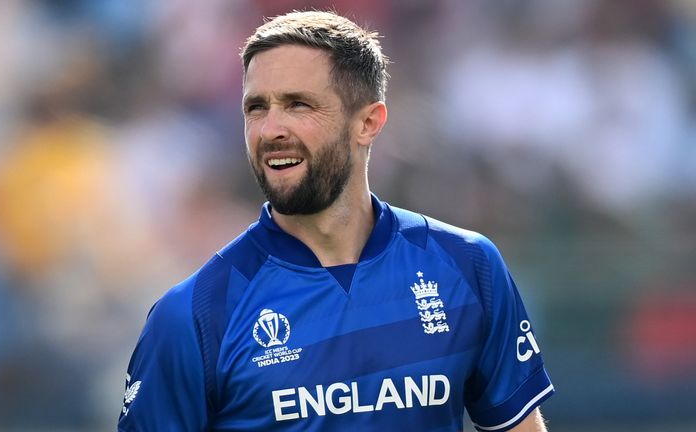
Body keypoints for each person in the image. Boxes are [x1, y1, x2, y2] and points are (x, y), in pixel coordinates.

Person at [118, 10, 554, 432]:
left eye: (298, 104)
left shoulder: (466, 266)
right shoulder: (193, 315)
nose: (271, 129)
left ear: (368, 122)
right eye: (256, 108)